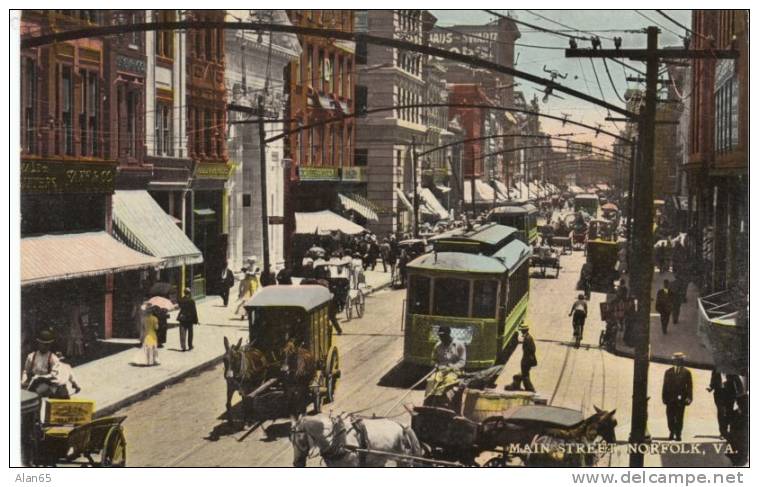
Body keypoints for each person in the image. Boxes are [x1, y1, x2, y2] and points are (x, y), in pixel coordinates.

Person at [21, 330, 62, 396]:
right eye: (44, 344)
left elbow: (53, 375)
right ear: (39, 343)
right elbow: (26, 371)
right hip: (33, 382)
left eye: (48, 345)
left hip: (48, 383)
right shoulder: (31, 356)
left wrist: (40, 377)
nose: (46, 347)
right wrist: (23, 381)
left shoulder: (53, 358)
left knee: (36, 393)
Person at [662, 352, 692, 441]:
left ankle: (678, 434)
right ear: (674, 361)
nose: (679, 362)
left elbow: (690, 386)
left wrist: (689, 398)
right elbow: (665, 386)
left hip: (681, 399)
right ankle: (671, 432)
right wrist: (664, 398)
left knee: (679, 417)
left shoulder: (686, 372)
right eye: (677, 360)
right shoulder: (668, 372)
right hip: (670, 399)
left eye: (680, 360)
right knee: (670, 416)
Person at [519, 323, 537, 392]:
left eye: (522, 330)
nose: (521, 331)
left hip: (527, 360)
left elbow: (531, 349)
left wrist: (526, 359)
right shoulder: (527, 337)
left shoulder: (528, 338)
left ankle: (531, 389)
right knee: (525, 374)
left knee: (525, 374)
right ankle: (527, 388)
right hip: (527, 359)